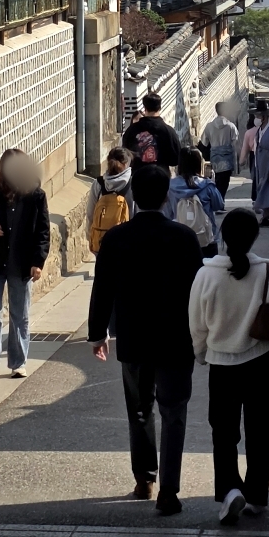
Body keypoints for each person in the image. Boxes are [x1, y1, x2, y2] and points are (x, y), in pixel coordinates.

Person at [87, 164, 203, 514]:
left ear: (134, 195)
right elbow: (199, 292)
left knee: (140, 410)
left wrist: (97, 333)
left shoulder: (116, 239)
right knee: (174, 411)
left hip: (134, 336)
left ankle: (145, 478)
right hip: (177, 337)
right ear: (166, 195)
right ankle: (169, 487)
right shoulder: (184, 238)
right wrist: (204, 336)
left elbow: (102, 288)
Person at [189, 208, 269, 525]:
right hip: (261, 363)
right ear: (255, 237)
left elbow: (197, 325)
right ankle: (257, 494)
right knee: (261, 431)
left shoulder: (205, 275)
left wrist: (201, 353)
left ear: (222, 236)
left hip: (222, 367)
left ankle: (230, 490)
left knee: (223, 432)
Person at [0, 149, 49, 380]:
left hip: (21, 263)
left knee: (19, 314)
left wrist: (38, 261)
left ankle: (18, 363)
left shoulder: (36, 195)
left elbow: (43, 231)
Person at [167, 147, 227, 254]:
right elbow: (219, 204)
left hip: (179, 237)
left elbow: (167, 213)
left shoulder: (170, 187)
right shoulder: (207, 185)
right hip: (206, 237)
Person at [87, 147, 134, 253]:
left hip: (102, 241)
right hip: (126, 242)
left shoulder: (98, 184)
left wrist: (91, 237)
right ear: (126, 164)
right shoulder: (133, 183)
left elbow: (90, 214)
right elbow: (135, 213)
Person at [122, 92, 182, 168]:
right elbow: (176, 159)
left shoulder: (132, 130)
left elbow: (125, 154)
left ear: (145, 108)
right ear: (160, 107)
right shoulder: (168, 131)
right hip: (161, 176)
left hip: (138, 176)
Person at [200, 103, 240, 199]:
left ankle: (217, 201)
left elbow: (204, 142)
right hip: (227, 157)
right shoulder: (231, 126)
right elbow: (236, 142)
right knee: (225, 181)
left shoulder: (209, 126)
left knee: (217, 179)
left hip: (215, 156)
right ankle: (220, 201)